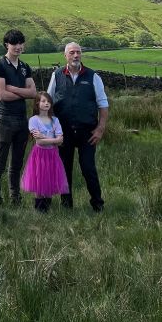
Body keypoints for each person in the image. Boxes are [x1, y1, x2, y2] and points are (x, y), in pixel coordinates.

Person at [47, 42, 109, 212]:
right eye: (72, 52)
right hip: (63, 132)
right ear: (65, 55)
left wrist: (100, 129)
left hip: (87, 132)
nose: (76, 56)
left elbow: (103, 104)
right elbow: (48, 101)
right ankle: (66, 206)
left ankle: (98, 204)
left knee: (88, 168)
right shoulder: (57, 75)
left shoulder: (92, 76)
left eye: (78, 52)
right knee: (64, 169)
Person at [0, 29, 36, 206]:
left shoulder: (25, 67)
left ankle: (15, 197)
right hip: (4, 118)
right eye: (14, 43)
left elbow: (33, 92)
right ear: (6, 45)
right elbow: (2, 95)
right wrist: (25, 93)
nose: (18, 46)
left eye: (20, 43)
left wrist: (14, 89)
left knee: (17, 162)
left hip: (22, 119)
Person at [20, 92, 68, 212]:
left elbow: (60, 141)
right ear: (37, 103)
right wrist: (54, 139)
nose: (46, 103)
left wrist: (46, 137)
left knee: (50, 180)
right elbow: (40, 142)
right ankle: (39, 209)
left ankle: (47, 208)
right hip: (39, 155)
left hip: (52, 155)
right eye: (43, 101)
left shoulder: (55, 120)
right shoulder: (33, 120)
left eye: (48, 101)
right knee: (39, 181)